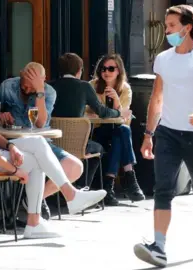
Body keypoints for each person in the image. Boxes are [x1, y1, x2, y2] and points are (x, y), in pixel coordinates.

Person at [0, 55, 107, 238]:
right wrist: (13, 169)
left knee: (39, 151)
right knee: (38, 151)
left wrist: (9, 146)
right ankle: (66, 198)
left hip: (5, 148)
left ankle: (35, 221)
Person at [133, 5, 193, 267]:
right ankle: (159, 247)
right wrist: (149, 134)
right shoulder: (163, 59)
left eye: (171, 25)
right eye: (166, 25)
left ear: (188, 27)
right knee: (163, 190)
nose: (167, 30)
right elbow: (157, 98)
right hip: (168, 134)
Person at [0, 62, 84, 217]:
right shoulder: (8, 86)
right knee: (36, 160)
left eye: (31, 87)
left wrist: (39, 91)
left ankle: (32, 199)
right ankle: (37, 204)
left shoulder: (49, 92)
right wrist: (0, 115)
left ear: (43, 80)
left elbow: (40, 123)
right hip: (13, 143)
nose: (27, 90)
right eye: (24, 85)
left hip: (41, 142)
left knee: (75, 167)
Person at [50, 53, 132, 205]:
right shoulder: (85, 86)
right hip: (77, 145)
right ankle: (82, 188)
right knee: (98, 149)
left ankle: (59, 193)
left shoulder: (49, 86)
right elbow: (103, 112)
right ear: (79, 70)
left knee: (119, 134)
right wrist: (119, 112)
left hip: (52, 144)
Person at [88, 54, 145, 205]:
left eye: (111, 68)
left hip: (117, 130)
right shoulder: (92, 86)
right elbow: (88, 110)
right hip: (97, 131)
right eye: (103, 69)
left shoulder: (125, 89)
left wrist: (116, 100)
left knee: (121, 134)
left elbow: (123, 118)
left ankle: (108, 188)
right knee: (123, 133)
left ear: (119, 71)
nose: (106, 72)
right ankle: (129, 179)